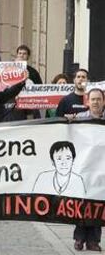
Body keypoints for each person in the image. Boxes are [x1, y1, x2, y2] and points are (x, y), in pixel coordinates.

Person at [72, 88, 103, 252]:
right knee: (82, 204)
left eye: (99, 99)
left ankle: (94, 241)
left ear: (103, 101)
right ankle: (79, 238)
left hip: (101, 171)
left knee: (98, 205)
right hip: (84, 168)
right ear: (88, 102)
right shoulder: (79, 119)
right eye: (93, 99)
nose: (96, 102)